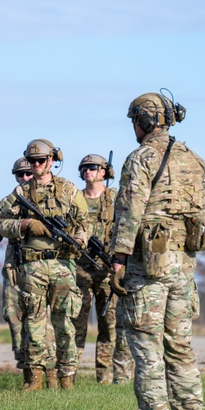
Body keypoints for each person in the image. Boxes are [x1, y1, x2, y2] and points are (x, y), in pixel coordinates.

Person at [111, 91, 205, 410]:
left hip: (148, 266)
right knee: (180, 343)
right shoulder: (194, 159)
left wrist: (118, 259)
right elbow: (203, 212)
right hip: (184, 264)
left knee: (145, 343)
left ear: (143, 121)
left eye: (134, 122)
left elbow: (130, 211)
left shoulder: (141, 158)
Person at [0, 140, 87, 391]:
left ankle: (67, 378)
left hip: (63, 262)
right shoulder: (19, 195)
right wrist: (24, 225)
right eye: (32, 162)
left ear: (53, 160)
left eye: (41, 160)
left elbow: (84, 222)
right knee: (34, 322)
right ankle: (35, 377)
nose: (36, 166)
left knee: (65, 322)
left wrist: (79, 238)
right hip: (32, 266)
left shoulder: (69, 190)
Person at [0, 157, 58, 387]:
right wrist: (17, 226)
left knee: (44, 322)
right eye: (20, 175)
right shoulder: (11, 201)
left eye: (28, 173)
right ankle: (28, 373)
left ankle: (52, 373)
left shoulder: (53, 199)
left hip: (45, 268)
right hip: (16, 270)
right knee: (15, 318)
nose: (25, 178)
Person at [71, 154, 119, 384]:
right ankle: (69, 376)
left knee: (109, 326)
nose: (88, 171)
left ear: (104, 172)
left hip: (108, 271)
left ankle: (105, 377)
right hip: (79, 270)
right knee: (76, 325)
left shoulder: (115, 199)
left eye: (93, 168)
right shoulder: (74, 199)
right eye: (84, 168)